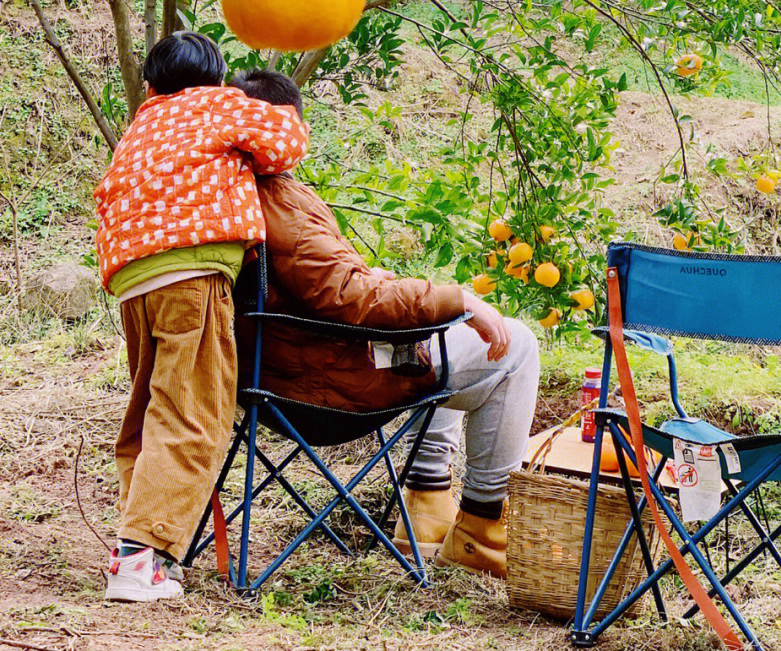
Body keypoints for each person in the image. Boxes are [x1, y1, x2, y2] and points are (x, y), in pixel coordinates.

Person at [231, 69, 540, 579]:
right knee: (515, 346)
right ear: (289, 130)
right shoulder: (280, 204)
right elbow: (352, 296)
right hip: (321, 387)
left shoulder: (222, 193)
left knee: (434, 327)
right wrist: (458, 298)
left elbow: (324, 282)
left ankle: (424, 513)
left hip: (269, 374)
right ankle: (483, 528)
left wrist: (414, 295)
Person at [95, 32, 309, 602]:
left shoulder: (141, 124)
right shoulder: (220, 104)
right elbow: (286, 141)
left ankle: (131, 543)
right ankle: (142, 560)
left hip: (132, 280)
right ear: (216, 79)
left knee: (148, 411)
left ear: (150, 84)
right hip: (192, 274)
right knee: (192, 414)